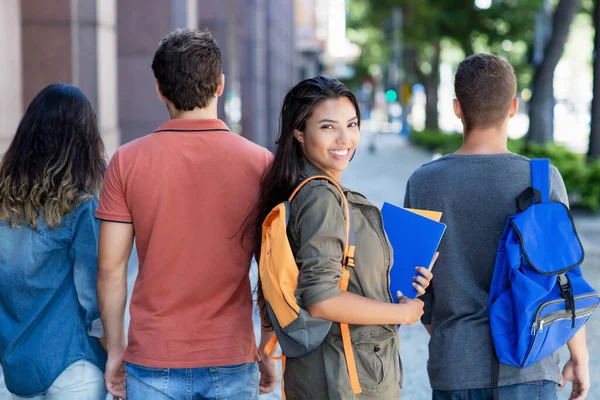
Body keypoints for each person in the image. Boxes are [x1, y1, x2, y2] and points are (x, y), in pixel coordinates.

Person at [95, 29, 277, 399]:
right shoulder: (260, 163)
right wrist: (268, 346)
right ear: (221, 84)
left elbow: (110, 268)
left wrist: (116, 348)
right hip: (231, 352)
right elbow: (273, 270)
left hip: (153, 355)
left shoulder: (127, 161)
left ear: (160, 90)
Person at [404, 54, 590, 400]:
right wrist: (579, 358)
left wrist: (452, 341)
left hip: (454, 365)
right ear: (513, 107)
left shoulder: (424, 183)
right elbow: (564, 278)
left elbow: (413, 284)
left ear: (457, 108)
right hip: (530, 364)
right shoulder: (540, 178)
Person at [254, 75, 434, 399]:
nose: (344, 139)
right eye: (327, 127)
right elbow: (322, 299)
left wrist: (395, 281)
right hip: (344, 380)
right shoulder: (321, 197)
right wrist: (402, 314)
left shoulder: (304, 189)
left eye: (351, 124)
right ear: (298, 132)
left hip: (330, 374)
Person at [0, 83, 107, 399]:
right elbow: (94, 299)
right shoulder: (81, 206)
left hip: (17, 368)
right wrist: (118, 355)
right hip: (74, 366)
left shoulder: (5, 204)